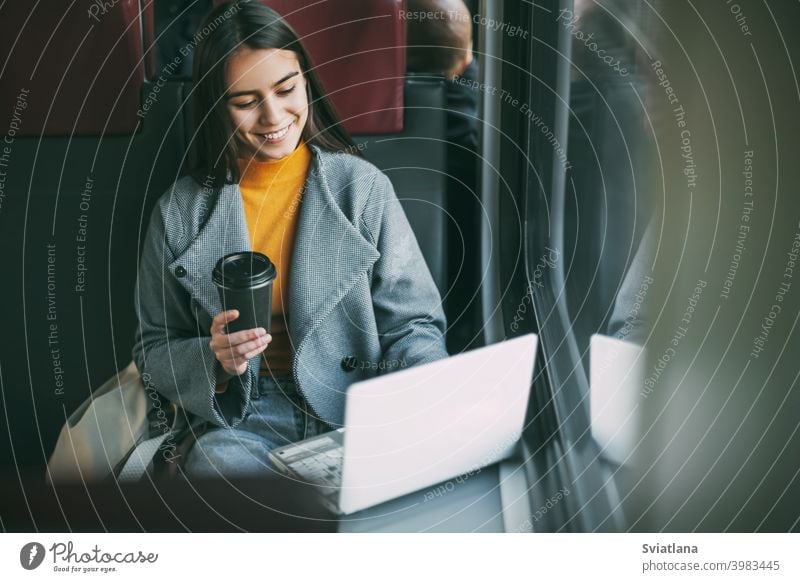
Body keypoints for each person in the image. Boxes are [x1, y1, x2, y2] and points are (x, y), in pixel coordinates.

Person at [132, 1, 448, 478]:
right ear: (216, 107)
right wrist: (214, 360)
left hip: (357, 405)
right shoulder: (180, 213)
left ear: (307, 81)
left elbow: (414, 323)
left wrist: (414, 394)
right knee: (220, 471)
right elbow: (153, 349)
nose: (274, 116)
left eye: (286, 89)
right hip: (242, 418)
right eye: (245, 102)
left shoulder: (361, 188)